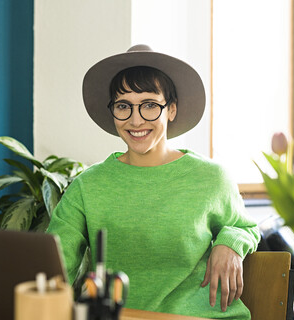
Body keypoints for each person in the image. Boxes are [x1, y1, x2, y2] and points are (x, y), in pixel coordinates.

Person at [47, 44, 260, 319]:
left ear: (171, 109)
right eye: (124, 106)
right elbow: (54, 264)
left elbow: (247, 226)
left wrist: (230, 242)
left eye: (149, 105)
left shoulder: (211, 178)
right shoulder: (87, 185)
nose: (136, 120)